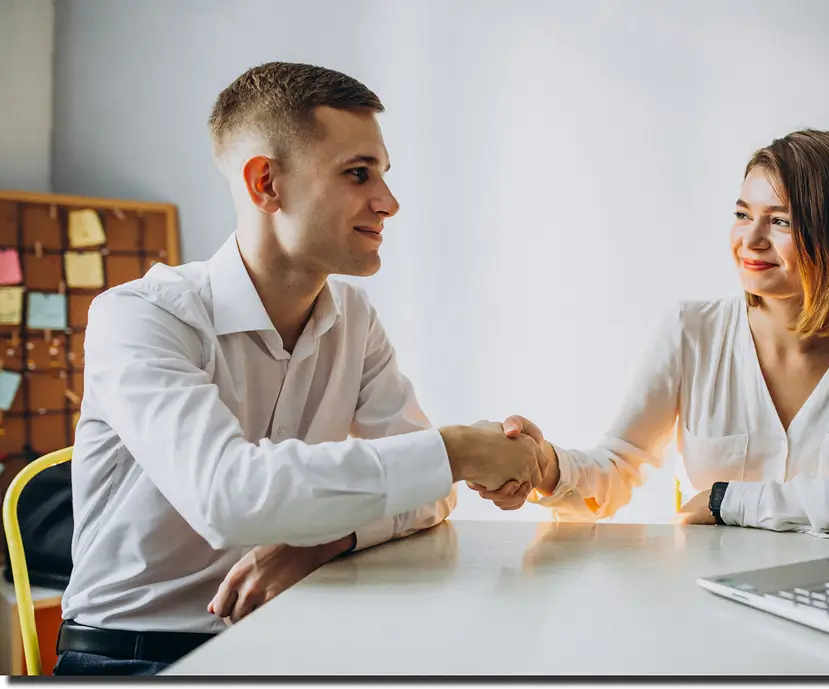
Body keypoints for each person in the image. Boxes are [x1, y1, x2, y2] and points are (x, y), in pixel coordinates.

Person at [53, 62, 547, 676]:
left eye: (384, 175)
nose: (388, 203)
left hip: (286, 642)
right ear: (266, 184)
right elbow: (229, 497)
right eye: (358, 174)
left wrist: (323, 541)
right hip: (134, 658)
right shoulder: (139, 316)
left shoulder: (354, 319)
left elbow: (429, 491)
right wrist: (457, 450)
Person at [472, 129, 829, 538]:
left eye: (781, 221)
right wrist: (546, 467)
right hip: (709, 593)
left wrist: (725, 500)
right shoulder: (690, 331)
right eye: (742, 214)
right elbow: (615, 465)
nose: (750, 239)